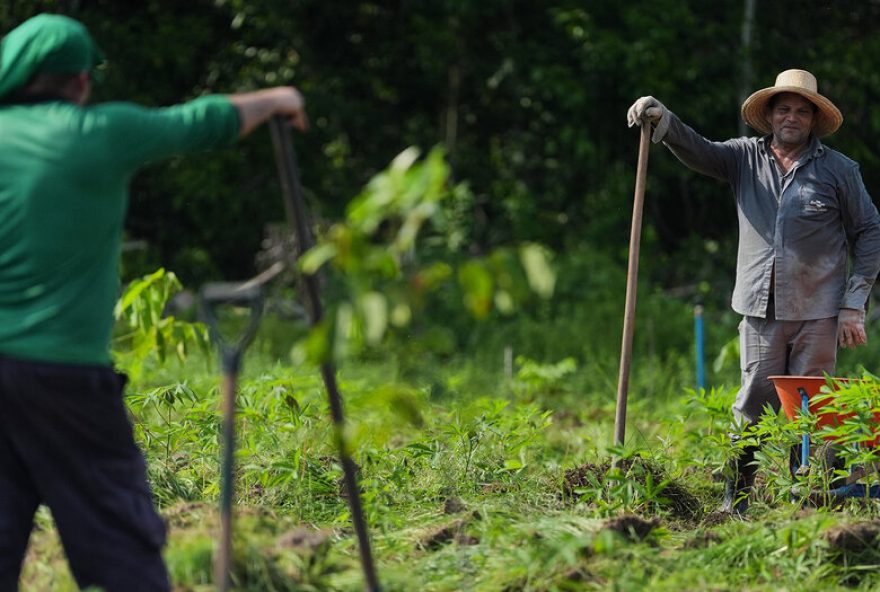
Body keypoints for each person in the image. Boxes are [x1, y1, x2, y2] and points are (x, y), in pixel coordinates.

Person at [0, 13, 308, 591]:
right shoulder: (96, 134)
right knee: (121, 548)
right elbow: (201, 122)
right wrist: (276, 97)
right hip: (64, 381)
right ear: (81, 82)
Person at [627, 69, 880, 514]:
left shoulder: (839, 170)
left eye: (803, 111)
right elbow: (699, 150)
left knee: (812, 409)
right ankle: (736, 500)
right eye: (784, 108)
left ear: (814, 120)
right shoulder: (743, 158)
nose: (792, 117)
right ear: (769, 114)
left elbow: (870, 230)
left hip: (819, 313)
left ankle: (808, 500)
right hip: (761, 311)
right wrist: (663, 120)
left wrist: (853, 304)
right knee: (754, 401)